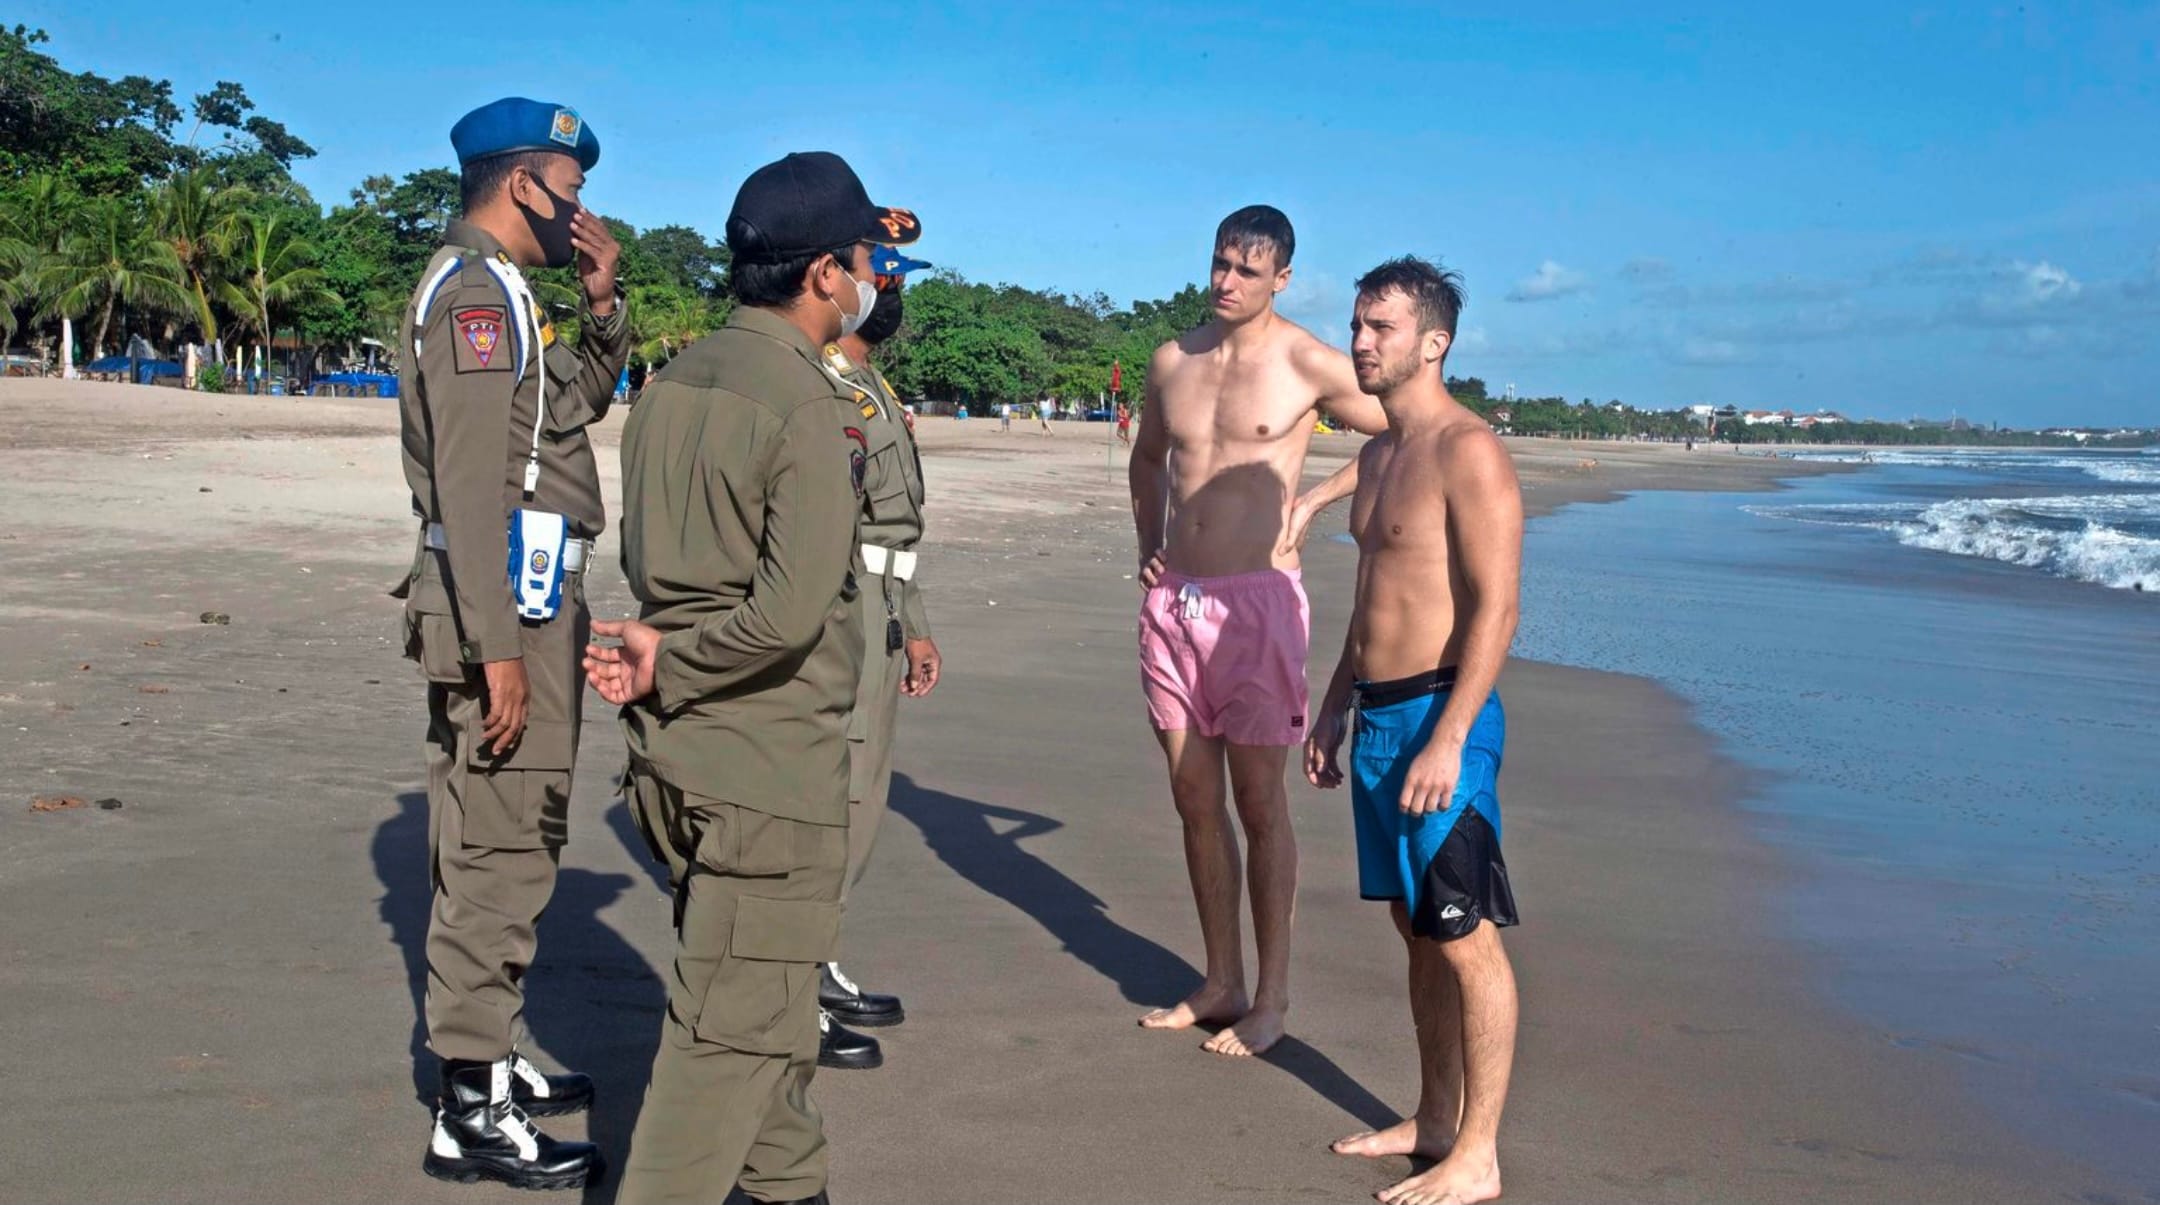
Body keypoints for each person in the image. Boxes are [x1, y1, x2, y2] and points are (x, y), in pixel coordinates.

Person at [582, 150, 918, 1205]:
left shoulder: (675, 382)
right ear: (824, 273)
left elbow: (655, 567)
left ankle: (789, 1190)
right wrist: (673, 654)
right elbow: (788, 610)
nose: (870, 277)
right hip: (765, 768)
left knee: (758, 1007)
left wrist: (665, 658)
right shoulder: (811, 403)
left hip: (672, 758)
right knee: (723, 1044)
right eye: (865, 257)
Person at [392, 98, 627, 1191]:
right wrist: (497, 646)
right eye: (570, 192)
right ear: (525, 180)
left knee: (497, 832)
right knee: (503, 840)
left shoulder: (511, 295)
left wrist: (603, 307)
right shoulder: (476, 294)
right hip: (508, 608)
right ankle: (471, 1105)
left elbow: (565, 413)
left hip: (520, 601)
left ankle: (486, 1051)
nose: (580, 213)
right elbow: (474, 485)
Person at [1127, 204, 1387, 1057]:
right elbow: (1146, 459)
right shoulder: (1174, 359)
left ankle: (1271, 996)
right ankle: (1220, 978)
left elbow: (1405, 425)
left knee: (1258, 800)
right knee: (1193, 798)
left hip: (1258, 605)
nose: (1226, 282)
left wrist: (1315, 497)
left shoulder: (1310, 361)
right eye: (1219, 264)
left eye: (1247, 269)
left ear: (1282, 278)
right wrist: (1149, 547)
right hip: (1177, 605)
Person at [1306, 257, 1522, 1205]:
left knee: (1463, 931)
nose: (1360, 340)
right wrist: (1335, 701)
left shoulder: (1467, 449)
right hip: (1383, 716)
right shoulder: (1384, 451)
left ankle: (1478, 1151)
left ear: (1432, 343)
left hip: (1447, 718)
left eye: (1381, 327)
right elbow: (1372, 597)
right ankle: (1435, 1116)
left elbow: (1498, 608)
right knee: (1415, 927)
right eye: (1357, 323)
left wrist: (1452, 733)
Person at [811, 243, 943, 1071]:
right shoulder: (823, 381)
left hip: (883, 603)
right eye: (882, 278)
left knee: (864, 794)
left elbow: (896, 530)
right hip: (845, 605)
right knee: (840, 794)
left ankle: (812, 960)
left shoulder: (870, 382)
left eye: (898, 284)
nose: (891, 295)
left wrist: (916, 621)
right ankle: (791, 981)